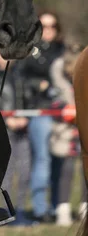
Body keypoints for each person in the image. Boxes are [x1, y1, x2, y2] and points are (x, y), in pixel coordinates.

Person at [19, 11, 65, 223]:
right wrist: (39, 86)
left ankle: (58, 207)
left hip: (63, 114)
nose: (48, 30)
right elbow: (19, 79)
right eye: (43, 26)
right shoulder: (30, 52)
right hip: (40, 111)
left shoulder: (62, 51)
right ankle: (40, 209)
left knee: (61, 161)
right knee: (43, 160)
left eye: (52, 26)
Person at [0, 48, 32, 226]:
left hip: (23, 129)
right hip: (5, 130)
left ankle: (21, 211)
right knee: (6, 175)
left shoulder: (20, 75)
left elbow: (29, 99)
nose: (3, 57)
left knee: (25, 172)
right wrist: (7, 120)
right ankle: (6, 213)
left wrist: (26, 117)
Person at [49, 43, 86, 226]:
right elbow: (52, 100)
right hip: (65, 133)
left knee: (84, 172)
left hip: (82, 130)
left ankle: (84, 208)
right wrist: (65, 109)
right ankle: (62, 209)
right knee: (65, 171)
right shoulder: (58, 79)